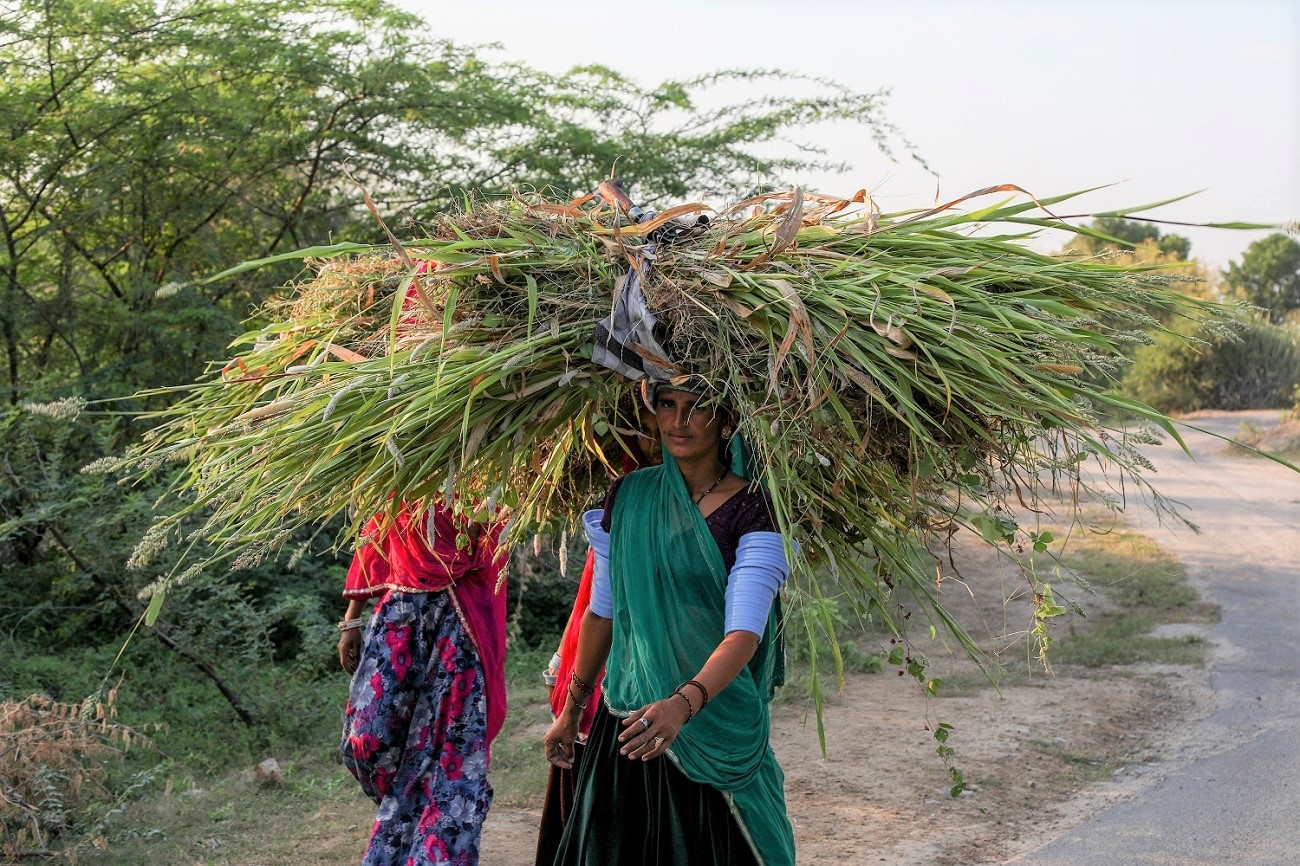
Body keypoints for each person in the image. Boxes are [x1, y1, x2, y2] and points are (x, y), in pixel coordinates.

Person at [542, 384, 796, 866]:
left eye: (697, 406)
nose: (679, 420)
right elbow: (603, 614)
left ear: (725, 419)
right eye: (667, 405)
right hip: (629, 729)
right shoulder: (630, 496)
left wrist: (682, 705)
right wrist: (571, 709)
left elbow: (743, 633)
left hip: (711, 723)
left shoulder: (753, 508)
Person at [337, 500, 508, 866]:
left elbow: (493, 545)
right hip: (400, 615)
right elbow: (375, 539)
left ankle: (435, 851)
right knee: (366, 741)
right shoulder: (402, 473)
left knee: (452, 752)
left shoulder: (487, 476)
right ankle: (407, 813)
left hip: (460, 618)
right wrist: (351, 620)